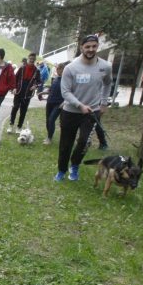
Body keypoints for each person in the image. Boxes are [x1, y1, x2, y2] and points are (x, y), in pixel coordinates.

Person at [55, 34, 113, 182]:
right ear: (81, 48)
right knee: (65, 144)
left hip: (92, 112)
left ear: (97, 47)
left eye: (94, 46)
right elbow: (65, 92)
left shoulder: (105, 67)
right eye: (87, 47)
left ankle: (74, 165)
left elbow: (108, 84)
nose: (90, 49)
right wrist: (80, 105)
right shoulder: (71, 68)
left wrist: (104, 102)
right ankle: (61, 170)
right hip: (70, 111)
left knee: (84, 142)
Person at [7, 52, 40, 133]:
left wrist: (35, 86)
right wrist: (14, 88)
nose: (31, 60)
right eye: (30, 59)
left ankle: (19, 127)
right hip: (19, 91)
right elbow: (15, 78)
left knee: (23, 111)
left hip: (28, 93)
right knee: (15, 108)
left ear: (35, 60)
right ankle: (11, 125)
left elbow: (39, 82)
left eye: (33, 59)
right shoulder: (22, 68)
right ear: (28, 59)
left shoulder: (37, 71)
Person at [42, 62, 66, 145]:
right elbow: (51, 90)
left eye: (60, 69)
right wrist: (43, 93)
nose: (58, 70)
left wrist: (64, 102)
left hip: (58, 104)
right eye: (57, 68)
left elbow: (70, 92)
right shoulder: (56, 78)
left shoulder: (67, 80)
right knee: (47, 120)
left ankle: (49, 138)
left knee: (51, 119)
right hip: (50, 102)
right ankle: (49, 136)